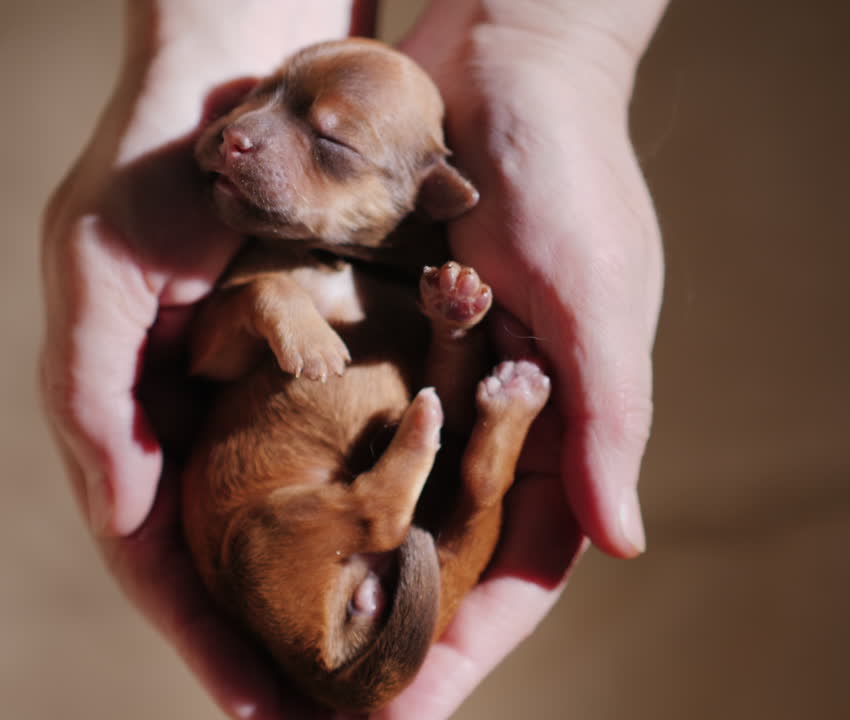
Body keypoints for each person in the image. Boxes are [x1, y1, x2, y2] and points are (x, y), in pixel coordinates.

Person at [39, 1, 667, 717]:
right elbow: (211, 358)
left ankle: (390, 503)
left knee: (447, 448)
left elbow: (440, 401)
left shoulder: (427, 269)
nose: (245, 133)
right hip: (338, 506)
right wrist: (274, 303)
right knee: (459, 467)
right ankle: (465, 452)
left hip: (319, 532)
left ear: (431, 197)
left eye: (332, 149)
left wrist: (545, 42)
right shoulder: (259, 263)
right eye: (258, 97)